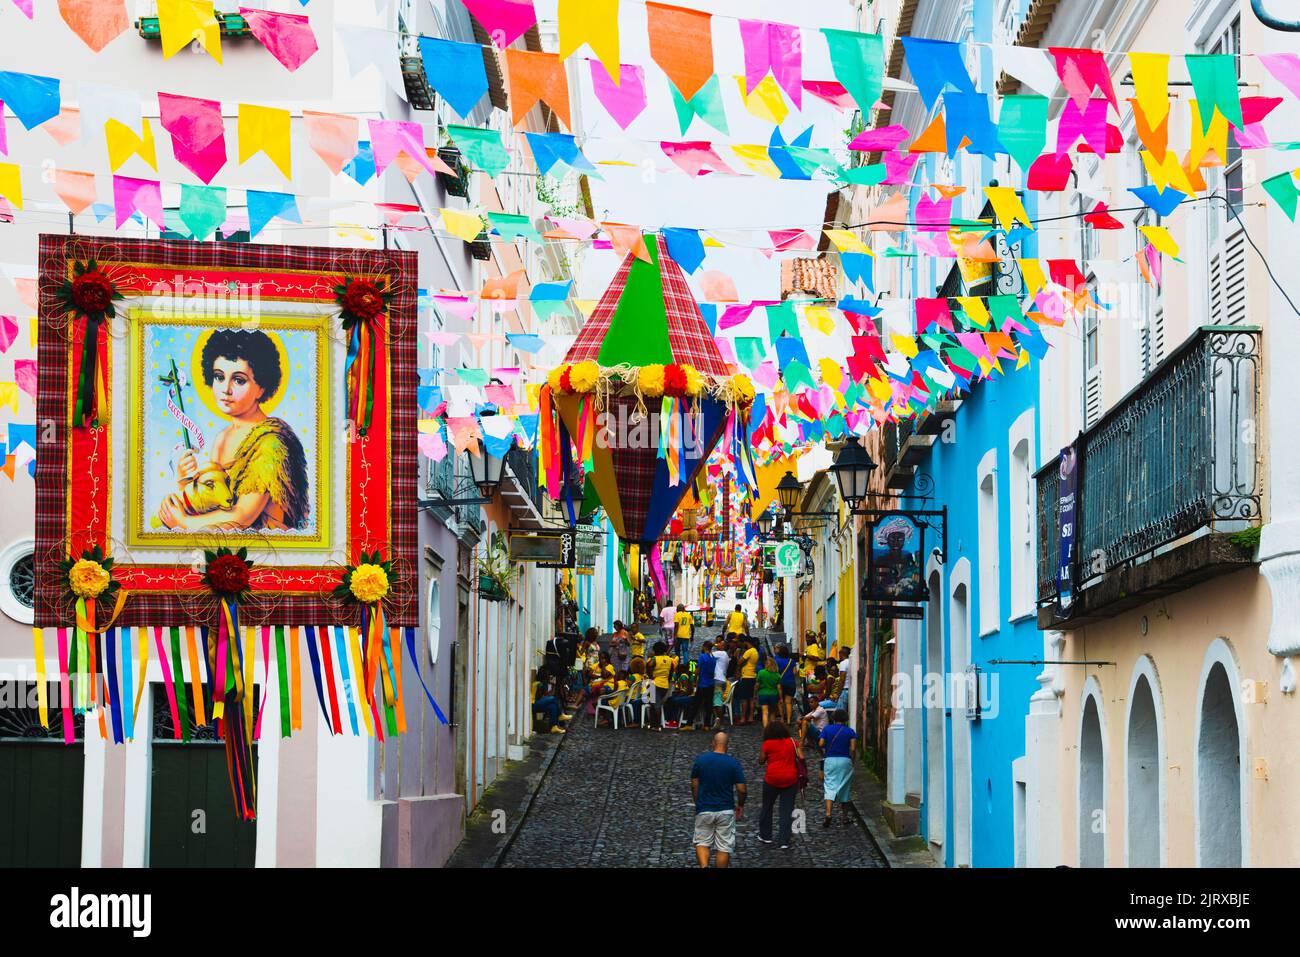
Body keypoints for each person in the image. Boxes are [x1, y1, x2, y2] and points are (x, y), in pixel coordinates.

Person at [160, 329, 309, 532]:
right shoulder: (223, 438)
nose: (226, 389)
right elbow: (215, 504)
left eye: (239, 380)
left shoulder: (272, 444)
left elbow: (242, 517)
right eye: (219, 377)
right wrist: (185, 482)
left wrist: (183, 523)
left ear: (262, 387)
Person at [690, 731, 746, 868]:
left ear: (713, 743)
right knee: (724, 847)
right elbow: (741, 789)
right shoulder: (733, 763)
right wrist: (740, 804)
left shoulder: (701, 761)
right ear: (727, 745)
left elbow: (694, 783)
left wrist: (697, 801)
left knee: (702, 842)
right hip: (725, 809)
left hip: (704, 808)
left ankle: (704, 866)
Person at [756, 720, 803, 849]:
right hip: (790, 779)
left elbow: (761, 760)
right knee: (786, 810)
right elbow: (802, 757)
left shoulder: (767, 744)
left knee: (767, 806)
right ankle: (784, 840)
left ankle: (766, 836)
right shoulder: (793, 742)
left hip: (772, 779)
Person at [818, 709, 858, 826]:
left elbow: (821, 743)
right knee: (845, 788)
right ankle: (845, 818)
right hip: (845, 761)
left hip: (830, 760)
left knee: (829, 787)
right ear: (846, 719)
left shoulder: (827, 729)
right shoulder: (850, 731)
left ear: (833, 718)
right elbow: (853, 748)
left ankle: (828, 814)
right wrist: (853, 760)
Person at [646, 641, 676, 730]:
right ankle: (652, 725)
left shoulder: (655, 659)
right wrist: (668, 679)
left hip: (655, 684)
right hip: (665, 685)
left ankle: (657, 726)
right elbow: (671, 670)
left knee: (656, 705)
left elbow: (649, 665)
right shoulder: (669, 659)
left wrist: (651, 677)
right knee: (653, 704)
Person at [735, 635, 760, 724]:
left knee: (744, 699)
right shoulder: (755, 651)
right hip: (753, 676)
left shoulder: (748, 651)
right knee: (751, 698)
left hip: (746, 677)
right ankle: (750, 718)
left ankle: (743, 718)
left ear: (746, 642)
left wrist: (737, 655)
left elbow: (739, 662)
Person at [691, 641, 716, 731]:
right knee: (708, 706)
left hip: (703, 684)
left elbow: (697, 670)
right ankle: (707, 725)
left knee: (696, 704)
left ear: (704, 647)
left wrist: (694, 680)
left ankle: (689, 723)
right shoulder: (713, 658)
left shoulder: (702, 657)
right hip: (711, 684)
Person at [773, 644, 798, 724]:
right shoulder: (792, 661)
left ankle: (782, 719)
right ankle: (789, 720)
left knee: (780, 701)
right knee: (788, 702)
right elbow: (795, 673)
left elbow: (774, 671)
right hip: (790, 683)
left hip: (780, 683)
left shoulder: (776, 660)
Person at [755, 656, 782, 726]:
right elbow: (779, 688)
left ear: (766, 664)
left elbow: (757, 685)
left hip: (763, 694)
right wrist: (781, 698)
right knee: (772, 713)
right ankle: (772, 729)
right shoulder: (777, 675)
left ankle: (765, 729)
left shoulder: (761, 672)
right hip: (773, 695)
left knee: (765, 712)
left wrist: (755, 694)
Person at [710, 640, 731, 729]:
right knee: (715, 701)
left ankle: (720, 722)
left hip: (718, 680)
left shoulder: (721, 653)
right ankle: (717, 720)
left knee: (718, 702)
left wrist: (711, 646)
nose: (718, 644)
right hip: (721, 679)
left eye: (720, 644)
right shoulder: (725, 655)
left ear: (723, 646)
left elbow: (709, 655)